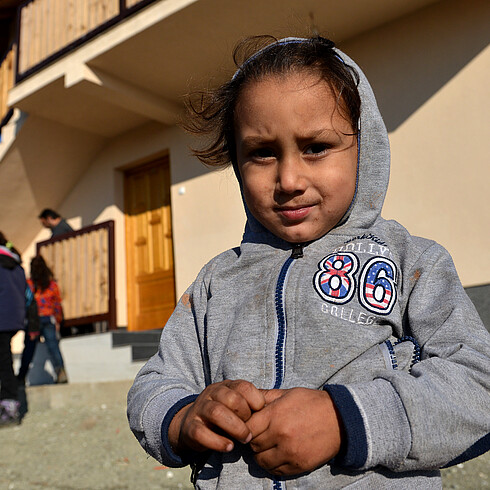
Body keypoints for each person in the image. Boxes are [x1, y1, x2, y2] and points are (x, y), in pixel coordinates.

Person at [127, 36, 490, 488]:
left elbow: (479, 386)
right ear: (238, 165)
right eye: (262, 153)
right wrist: (183, 419)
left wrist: (346, 421)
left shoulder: (414, 264)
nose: (289, 180)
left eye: (316, 146)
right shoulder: (216, 282)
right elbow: (156, 381)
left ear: (366, 147)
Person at [0, 232, 35, 426]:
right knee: (5, 361)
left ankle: (9, 408)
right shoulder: (16, 265)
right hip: (13, 319)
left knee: (4, 363)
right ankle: (9, 405)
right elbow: (27, 295)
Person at [19, 255, 68, 384]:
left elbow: (24, 302)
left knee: (29, 349)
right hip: (48, 318)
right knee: (53, 347)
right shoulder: (52, 284)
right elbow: (57, 304)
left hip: (32, 320)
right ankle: (61, 372)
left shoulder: (28, 284)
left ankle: (21, 376)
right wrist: (57, 320)